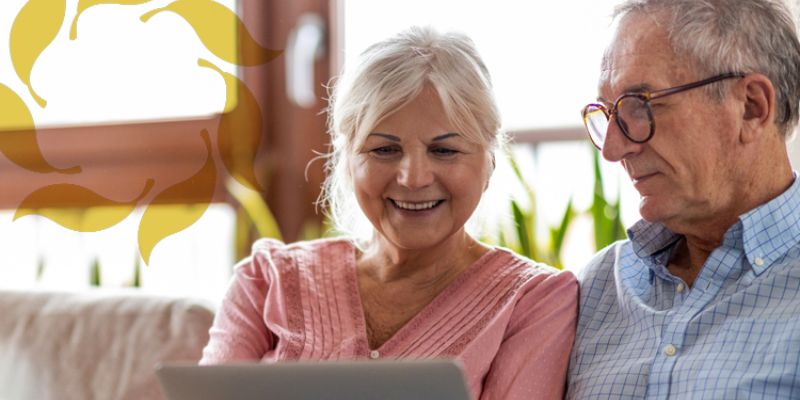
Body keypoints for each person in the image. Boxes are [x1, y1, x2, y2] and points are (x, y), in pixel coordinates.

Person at [201, 26, 578, 399]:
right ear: (348, 162)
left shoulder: (534, 300)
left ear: (491, 162)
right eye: (384, 150)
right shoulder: (266, 280)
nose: (413, 178)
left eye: (444, 151)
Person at [568, 0, 800, 398]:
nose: (613, 149)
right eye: (607, 114)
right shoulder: (598, 286)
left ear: (751, 107)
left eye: (638, 105)